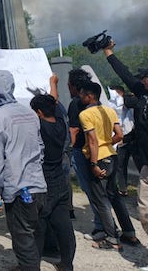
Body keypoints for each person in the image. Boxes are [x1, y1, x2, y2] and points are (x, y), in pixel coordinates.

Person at [0, 70, 47, 271]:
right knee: (34, 235)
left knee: (23, 240)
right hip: (38, 186)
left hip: (18, 190)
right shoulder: (29, 112)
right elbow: (40, 147)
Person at [78, 81, 139, 250]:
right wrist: (106, 143)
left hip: (99, 159)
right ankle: (129, 232)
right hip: (112, 156)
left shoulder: (85, 115)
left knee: (101, 200)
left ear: (90, 96)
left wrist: (93, 162)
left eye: (83, 94)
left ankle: (111, 238)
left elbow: (92, 141)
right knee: (115, 196)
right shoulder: (109, 110)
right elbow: (119, 135)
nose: (80, 97)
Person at [103, 40, 148, 236]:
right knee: (145, 212)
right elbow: (125, 74)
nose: (142, 81)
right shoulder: (142, 93)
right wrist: (109, 53)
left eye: (144, 77)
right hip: (147, 164)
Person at [30, 94, 76, 271]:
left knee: (38, 225)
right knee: (63, 224)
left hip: (44, 180)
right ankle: (66, 263)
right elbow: (56, 104)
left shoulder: (40, 127)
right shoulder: (60, 124)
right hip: (59, 179)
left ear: (39, 112)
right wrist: (53, 85)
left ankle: (32, 265)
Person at [67, 68, 108, 241]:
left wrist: (68, 146)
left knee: (91, 190)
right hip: (101, 150)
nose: (68, 88)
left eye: (69, 85)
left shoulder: (76, 104)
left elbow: (74, 129)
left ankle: (101, 227)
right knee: (102, 190)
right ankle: (109, 225)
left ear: (75, 86)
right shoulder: (97, 103)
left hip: (82, 151)